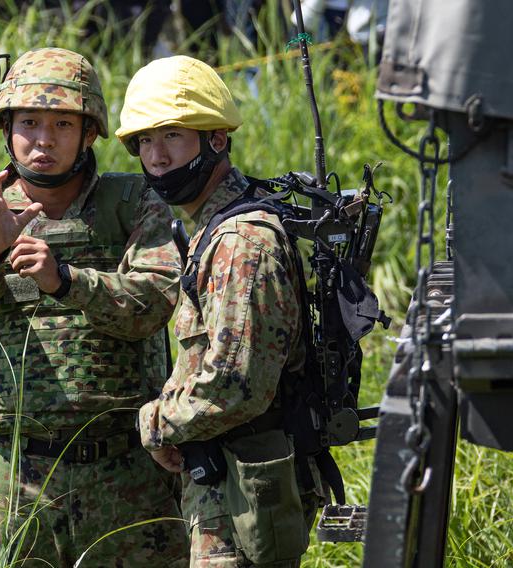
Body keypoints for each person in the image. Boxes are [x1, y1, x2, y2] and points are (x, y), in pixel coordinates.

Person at [0, 47, 188, 567]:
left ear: (90, 132)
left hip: (125, 468)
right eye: (30, 122)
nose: (44, 139)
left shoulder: (134, 204)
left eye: (63, 124)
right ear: (7, 128)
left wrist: (66, 282)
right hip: (15, 473)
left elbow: (157, 301)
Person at [116, 55, 318, 567]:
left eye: (173, 137)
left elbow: (235, 385)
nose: (156, 157)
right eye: (144, 141)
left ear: (217, 139)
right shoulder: (214, 227)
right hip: (225, 482)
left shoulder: (239, 243)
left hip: (243, 493)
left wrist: (157, 423)